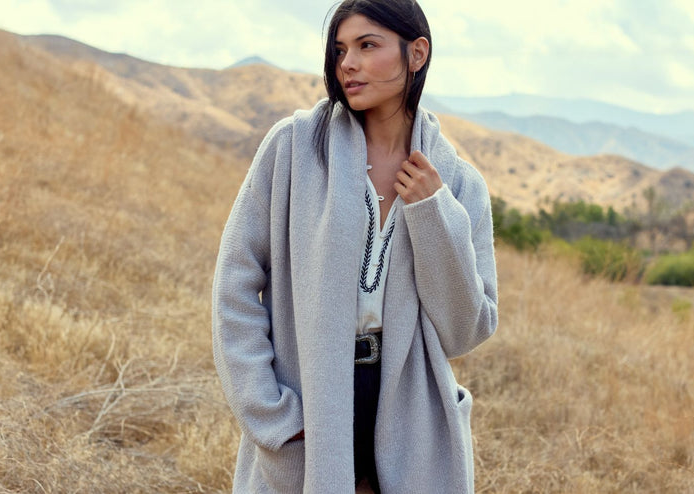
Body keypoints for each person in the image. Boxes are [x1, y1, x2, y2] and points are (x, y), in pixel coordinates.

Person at [211, 0, 498, 492]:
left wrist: (434, 213)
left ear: (417, 54)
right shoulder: (295, 148)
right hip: (311, 401)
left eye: (368, 46)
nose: (348, 63)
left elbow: (465, 332)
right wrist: (275, 417)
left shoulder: (457, 184)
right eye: (341, 48)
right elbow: (234, 286)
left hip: (411, 419)